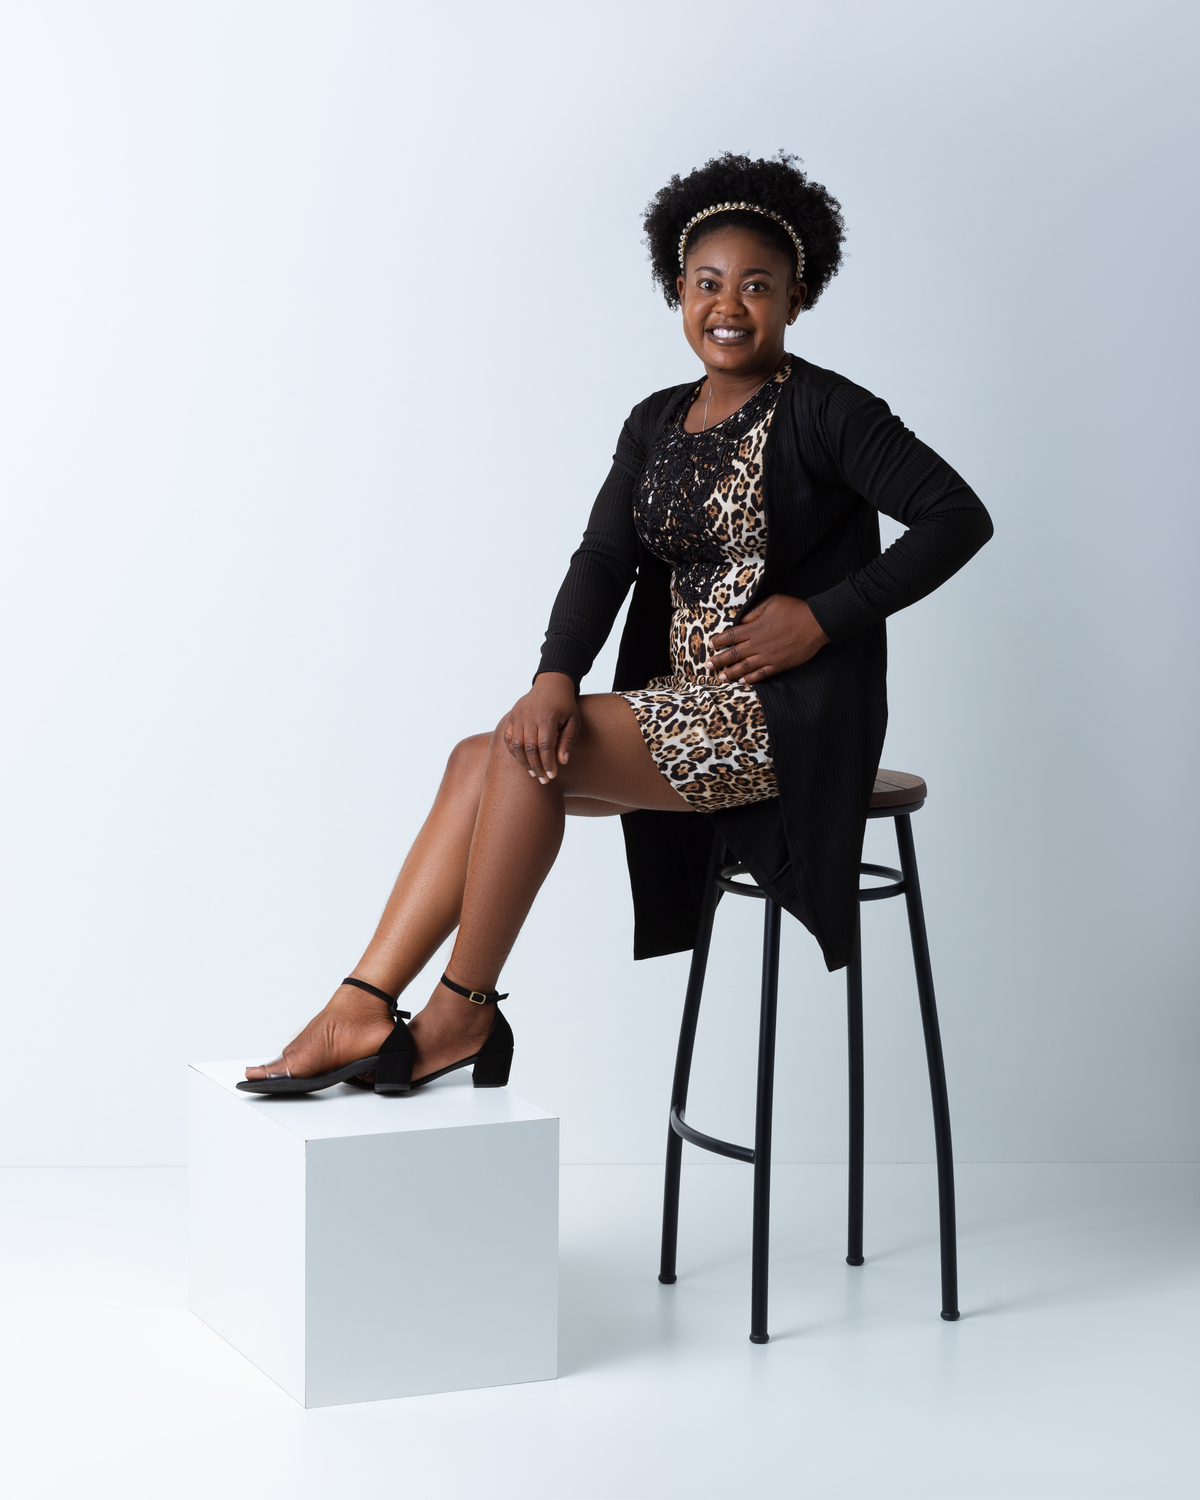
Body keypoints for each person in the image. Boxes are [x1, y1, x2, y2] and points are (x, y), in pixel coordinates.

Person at [239, 151, 993, 1097]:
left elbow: (957, 516)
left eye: (757, 285)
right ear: (678, 292)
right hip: (674, 707)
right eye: (707, 283)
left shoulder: (828, 410)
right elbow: (603, 558)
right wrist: (555, 675)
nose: (729, 305)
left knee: (517, 757)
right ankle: (361, 1001)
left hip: (780, 719)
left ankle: (464, 1009)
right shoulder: (655, 421)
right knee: (483, 754)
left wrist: (822, 619)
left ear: (797, 298)